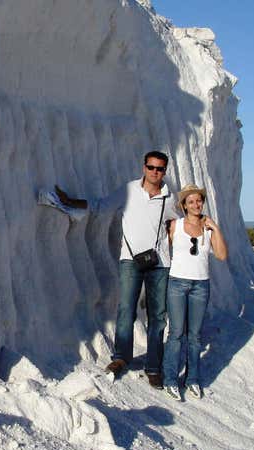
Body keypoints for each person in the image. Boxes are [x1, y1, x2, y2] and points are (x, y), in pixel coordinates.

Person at [55, 151, 180, 388]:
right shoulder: (129, 190)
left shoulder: (169, 197)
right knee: (126, 310)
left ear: (165, 171)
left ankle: (153, 367)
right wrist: (70, 201)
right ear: (144, 167)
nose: (156, 172)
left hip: (160, 263)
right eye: (152, 167)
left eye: (160, 169)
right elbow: (101, 206)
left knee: (158, 317)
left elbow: (176, 222)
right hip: (131, 260)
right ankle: (121, 358)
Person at [162, 184, 228, 401]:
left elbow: (221, 255)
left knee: (195, 336)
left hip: (201, 285)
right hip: (177, 283)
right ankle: (170, 379)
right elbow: (164, 251)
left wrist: (215, 228)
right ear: (184, 205)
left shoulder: (208, 228)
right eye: (191, 201)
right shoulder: (175, 226)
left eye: (199, 200)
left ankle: (192, 379)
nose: (196, 204)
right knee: (176, 333)